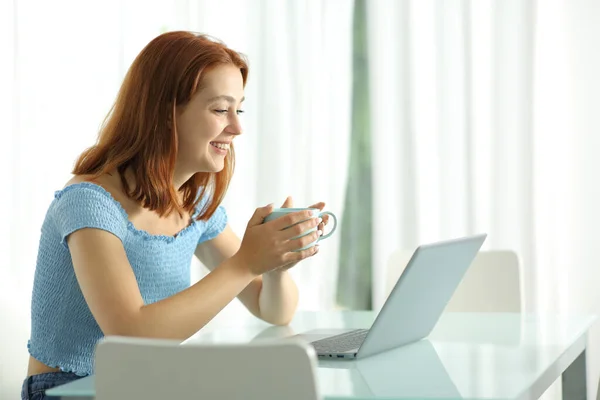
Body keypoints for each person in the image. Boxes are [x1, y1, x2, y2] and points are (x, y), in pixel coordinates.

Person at [21, 31, 330, 400]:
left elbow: (273, 310)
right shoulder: (89, 203)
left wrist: (275, 264)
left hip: (149, 386)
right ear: (165, 114)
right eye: (220, 109)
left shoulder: (193, 205)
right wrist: (247, 262)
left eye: (239, 109)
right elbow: (130, 333)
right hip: (68, 390)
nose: (237, 127)